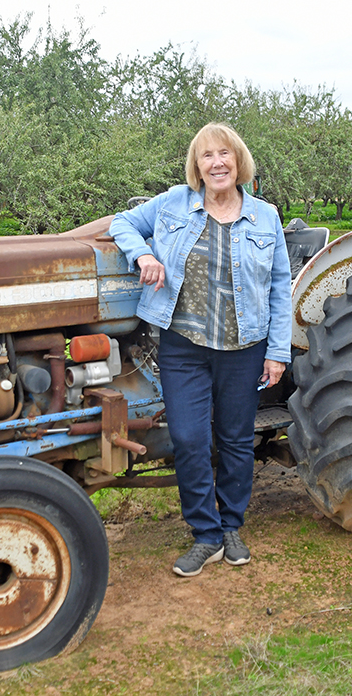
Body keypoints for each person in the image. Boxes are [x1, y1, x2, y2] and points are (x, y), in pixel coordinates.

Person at [109, 123, 292, 575]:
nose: (217, 163)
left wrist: (278, 351)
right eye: (207, 155)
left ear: (239, 161)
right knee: (189, 438)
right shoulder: (174, 202)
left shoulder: (265, 216)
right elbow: (123, 222)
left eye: (225, 154)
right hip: (183, 344)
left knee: (234, 439)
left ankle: (230, 526)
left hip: (243, 346)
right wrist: (144, 255)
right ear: (197, 165)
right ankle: (205, 534)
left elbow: (280, 284)